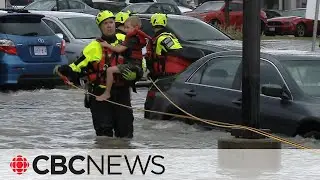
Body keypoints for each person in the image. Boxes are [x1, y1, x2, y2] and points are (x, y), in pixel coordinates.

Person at [53, 10, 137, 138]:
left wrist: (136, 74)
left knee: (126, 134)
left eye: (111, 22)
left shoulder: (125, 41)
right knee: (104, 135)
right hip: (99, 95)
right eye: (105, 24)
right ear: (100, 27)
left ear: (115, 24)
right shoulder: (93, 47)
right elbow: (77, 67)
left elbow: (138, 63)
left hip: (122, 94)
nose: (109, 26)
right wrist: (64, 70)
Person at [96, 15, 151, 100]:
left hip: (134, 65)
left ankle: (107, 93)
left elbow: (119, 49)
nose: (125, 30)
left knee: (110, 70)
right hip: (136, 65)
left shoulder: (133, 39)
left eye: (127, 27)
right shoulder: (135, 37)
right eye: (124, 27)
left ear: (135, 27)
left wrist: (107, 45)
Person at [146, 13, 196, 81]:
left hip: (168, 73)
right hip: (164, 72)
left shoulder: (163, 38)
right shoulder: (164, 37)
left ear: (152, 23)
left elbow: (177, 52)